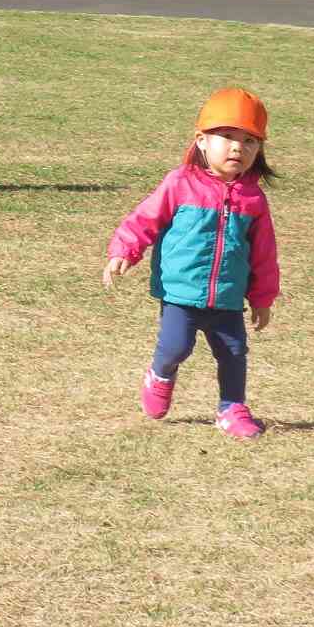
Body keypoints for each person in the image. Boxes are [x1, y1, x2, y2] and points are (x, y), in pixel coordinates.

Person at [104, 88, 280, 439]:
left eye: (249, 141)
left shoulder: (253, 199)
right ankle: (160, 374)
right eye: (227, 137)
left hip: (228, 300)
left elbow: (263, 253)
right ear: (201, 141)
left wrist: (262, 298)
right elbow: (145, 219)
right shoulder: (180, 183)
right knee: (175, 347)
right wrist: (124, 249)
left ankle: (232, 407)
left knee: (234, 352)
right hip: (180, 294)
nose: (237, 148)